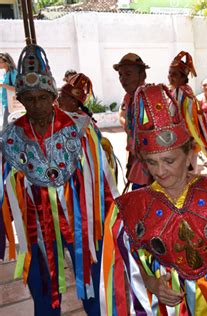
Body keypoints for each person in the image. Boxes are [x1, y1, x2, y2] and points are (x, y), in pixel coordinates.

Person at [100, 83, 207, 315]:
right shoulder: (132, 208)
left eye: (169, 161)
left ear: (189, 152)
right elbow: (129, 263)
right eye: (152, 162)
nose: (160, 171)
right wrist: (152, 283)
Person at [0, 44, 118, 315]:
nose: (36, 105)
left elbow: (102, 183)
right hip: (35, 226)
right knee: (43, 289)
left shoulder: (79, 129)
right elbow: (5, 188)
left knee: (92, 282)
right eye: (28, 99)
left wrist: (110, 220)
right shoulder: (11, 137)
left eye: (42, 97)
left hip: (81, 222)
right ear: (20, 98)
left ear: (53, 94)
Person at [168, 51, 207, 171]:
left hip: (184, 142)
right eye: (169, 73)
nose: (170, 77)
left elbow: (184, 120)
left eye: (174, 74)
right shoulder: (179, 92)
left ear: (183, 77)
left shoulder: (182, 94)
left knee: (185, 173)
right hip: (181, 141)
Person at [114, 52, 153, 190]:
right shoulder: (128, 98)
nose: (123, 79)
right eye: (120, 75)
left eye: (128, 74)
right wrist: (130, 160)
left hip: (153, 169)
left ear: (142, 75)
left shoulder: (151, 98)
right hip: (136, 163)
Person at [0, 52, 17, 128]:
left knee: (5, 127)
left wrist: (3, 85)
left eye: (0, 62)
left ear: (6, 62)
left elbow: (17, 88)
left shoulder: (13, 73)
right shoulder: (6, 73)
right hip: (6, 104)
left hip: (11, 105)